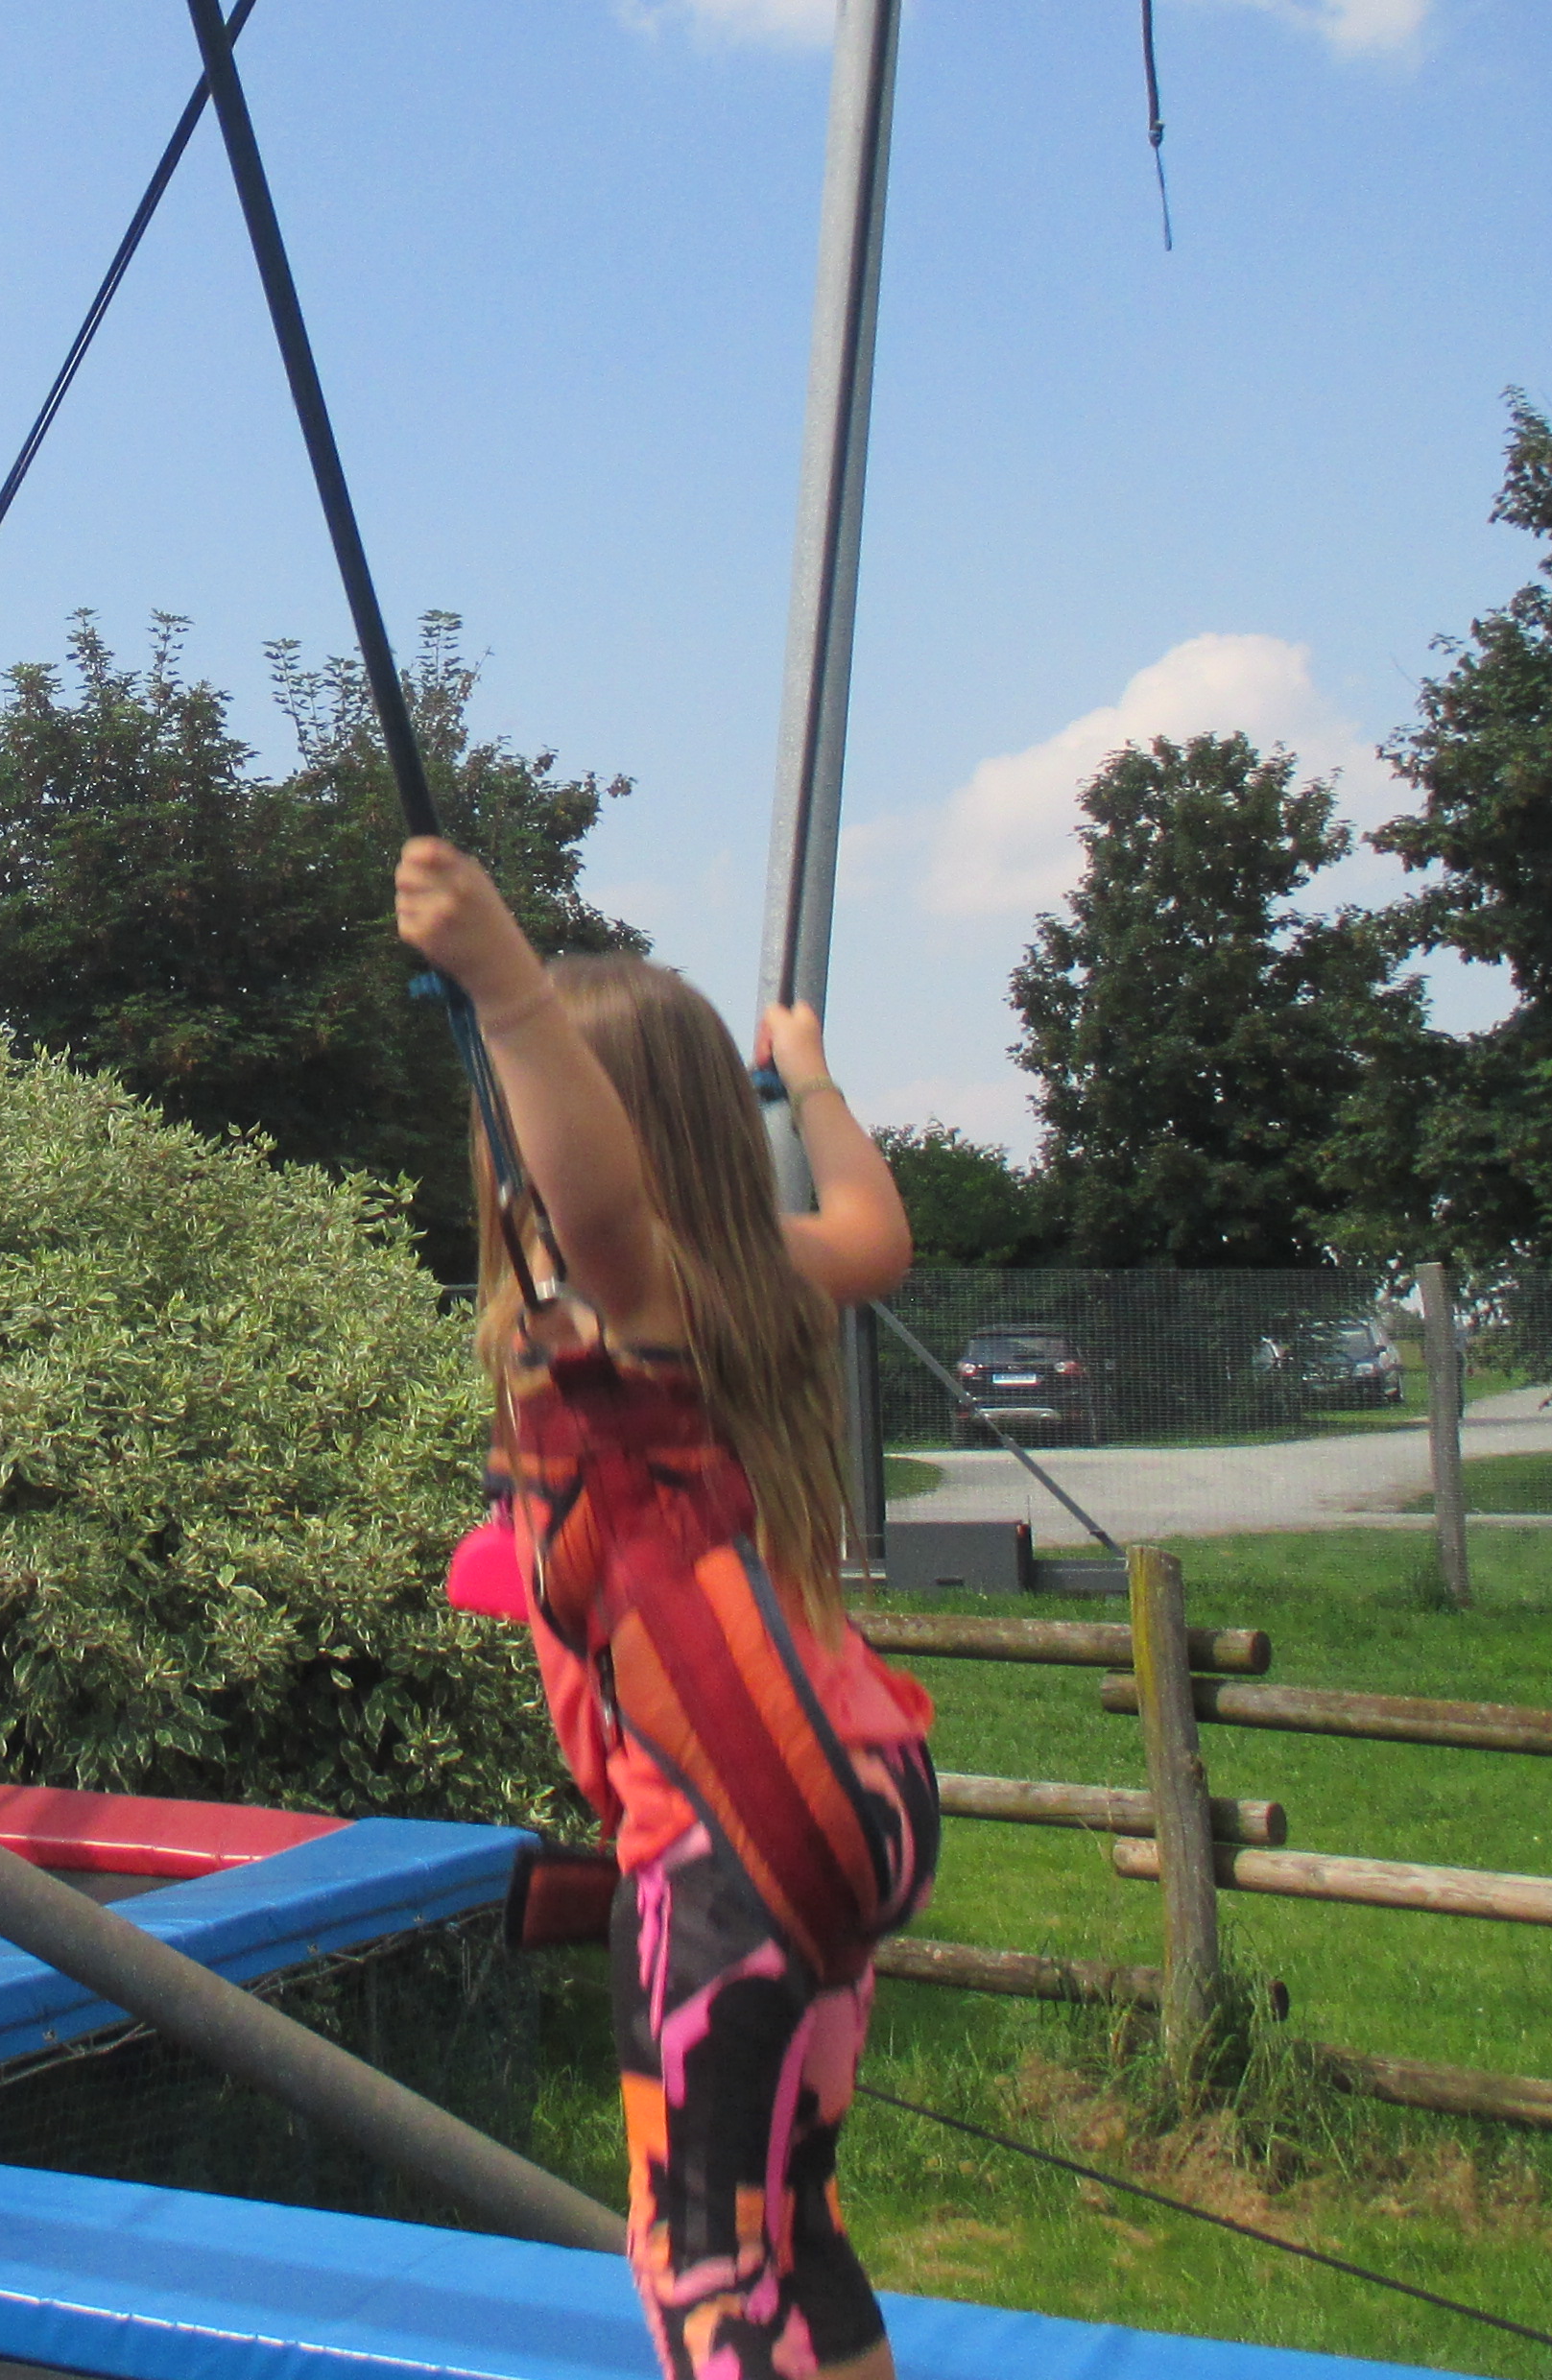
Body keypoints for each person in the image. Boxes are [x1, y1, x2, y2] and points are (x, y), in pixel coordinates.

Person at [396, 838, 935, 2380]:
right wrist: (808, 1080)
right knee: (791, 2220)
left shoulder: (620, 1297)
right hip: (857, 1784)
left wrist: (506, 985)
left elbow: (600, 1209)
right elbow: (880, 1233)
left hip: (732, 1823)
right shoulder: (765, 1274)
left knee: (699, 2255)